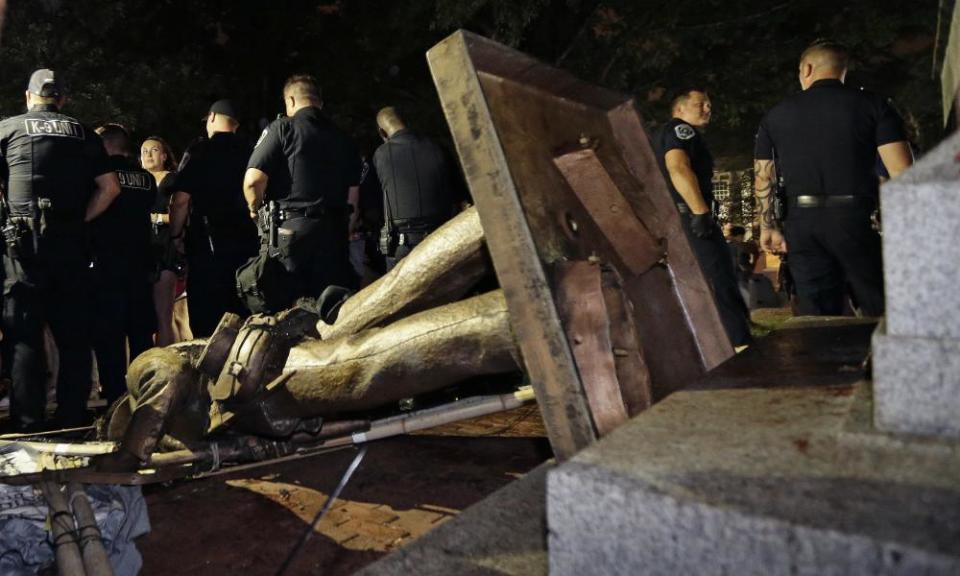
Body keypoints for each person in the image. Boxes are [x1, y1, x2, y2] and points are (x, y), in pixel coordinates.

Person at [754, 40, 914, 316]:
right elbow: (901, 172)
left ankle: (823, 357)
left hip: (801, 223)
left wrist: (767, 226)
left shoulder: (775, 115)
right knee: (881, 308)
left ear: (806, 69)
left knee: (817, 315)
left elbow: (763, 177)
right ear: (843, 70)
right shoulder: (874, 106)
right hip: (856, 219)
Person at [0, 69, 120, 430]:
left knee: (25, 336)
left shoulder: (8, 128)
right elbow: (110, 188)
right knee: (73, 335)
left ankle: (29, 419)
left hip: (22, 246)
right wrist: (80, 220)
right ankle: (72, 414)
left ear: (28, 97)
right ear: (63, 100)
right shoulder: (83, 132)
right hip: (70, 244)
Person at [242, 75, 361, 312]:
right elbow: (353, 195)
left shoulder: (283, 127)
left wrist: (254, 210)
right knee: (333, 309)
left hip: (292, 233)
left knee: (286, 311)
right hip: (335, 233)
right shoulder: (344, 138)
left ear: (291, 100)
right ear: (320, 102)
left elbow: (253, 180)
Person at [653, 88, 752, 347]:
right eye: (701, 104)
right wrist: (700, 213)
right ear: (680, 109)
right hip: (692, 218)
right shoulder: (680, 130)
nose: (708, 109)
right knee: (719, 280)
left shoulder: (670, 132)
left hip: (679, 219)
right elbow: (678, 168)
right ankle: (739, 344)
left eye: (709, 104)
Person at [168, 100, 259, 337]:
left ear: (211, 118)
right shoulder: (253, 151)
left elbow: (180, 200)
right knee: (242, 314)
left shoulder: (200, 150)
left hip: (207, 246)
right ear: (236, 125)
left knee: (207, 320)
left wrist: (175, 236)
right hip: (247, 245)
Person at [91, 124, 156, 405]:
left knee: (110, 332)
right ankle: (146, 390)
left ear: (103, 144)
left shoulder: (98, 175)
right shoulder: (146, 177)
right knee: (141, 330)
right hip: (140, 262)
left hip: (107, 262)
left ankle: (116, 396)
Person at [373, 106, 462, 270]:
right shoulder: (438, 147)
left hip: (403, 245)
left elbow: (375, 200)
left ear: (382, 132)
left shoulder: (381, 154)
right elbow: (459, 195)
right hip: (443, 238)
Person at [140, 136, 186, 345]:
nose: (148, 154)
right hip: (141, 249)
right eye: (144, 151)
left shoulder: (173, 180)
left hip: (165, 248)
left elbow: (182, 212)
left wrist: (156, 218)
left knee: (163, 315)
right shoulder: (137, 181)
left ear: (165, 156)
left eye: (154, 150)